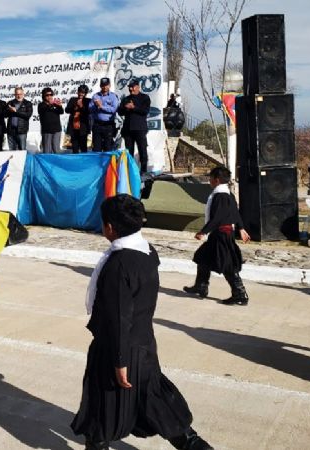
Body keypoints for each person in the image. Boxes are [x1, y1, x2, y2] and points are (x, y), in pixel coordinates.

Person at [71, 194, 212, 450]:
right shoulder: (147, 250)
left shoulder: (119, 264)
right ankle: (195, 445)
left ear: (110, 227)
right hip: (144, 344)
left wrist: (120, 359)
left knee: (102, 407)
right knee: (155, 401)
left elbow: (118, 317)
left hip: (117, 348)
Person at [183, 166, 251, 306]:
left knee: (227, 264)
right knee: (202, 256)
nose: (209, 181)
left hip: (221, 233)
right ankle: (201, 286)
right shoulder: (227, 194)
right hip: (221, 233)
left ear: (216, 180)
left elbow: (218, 217)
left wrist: (204, 231)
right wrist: (241, 228)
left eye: (211, 178)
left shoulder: (220, 195)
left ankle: (240, 293)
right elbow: (235, 212)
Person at [119, 79, 151, 174]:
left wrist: (134, 107)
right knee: (129, 151)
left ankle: (143, 170)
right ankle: (130, 171)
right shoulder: (126, 99)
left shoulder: (145, 98)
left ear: (138, 87)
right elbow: (120, 111)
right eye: (129, 87)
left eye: (132, 87)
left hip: (140, 128)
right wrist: (125, 107)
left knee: (142, 149)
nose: (130, 89)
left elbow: (145, 111)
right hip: (128, 129)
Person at [89, 78, 119, 152]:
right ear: (100, 86)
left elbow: (113, 109)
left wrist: (101, 107)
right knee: (96, 147)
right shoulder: (95, 96)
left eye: (106, 85)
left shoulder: (113, 96)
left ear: (109, 85)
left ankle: (107, 163)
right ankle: (97, 163)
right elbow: (90, 109)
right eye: (103, 85)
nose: (105, 87)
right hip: (97, 124)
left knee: (108, 147)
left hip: (109, 125)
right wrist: (96, 106)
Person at [38, 87, 65, 154]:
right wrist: (51, 104)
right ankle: (47, 164)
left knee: (56, 149)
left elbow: (61, 112)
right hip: (47, 130)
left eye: (51, 95)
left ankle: (56, 163)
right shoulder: (41, 105)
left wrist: (59, 105)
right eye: (47, 95)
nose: (49, 96)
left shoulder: (55, 104)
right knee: (47, 150)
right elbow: (42, 110)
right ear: (44, 96)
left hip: (57, 129)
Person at [66, 84, 91, 154]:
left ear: (85, 93)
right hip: (73, 127)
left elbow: (89, 112)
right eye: (79, 92)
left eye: (83, 92)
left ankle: (84, 161)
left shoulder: (88, 101)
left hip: (83, 127)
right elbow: (67, 110)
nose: (81, 94)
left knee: (83, 147)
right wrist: (74, 108)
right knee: (75, 147)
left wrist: (81, 106)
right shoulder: (73, 99)